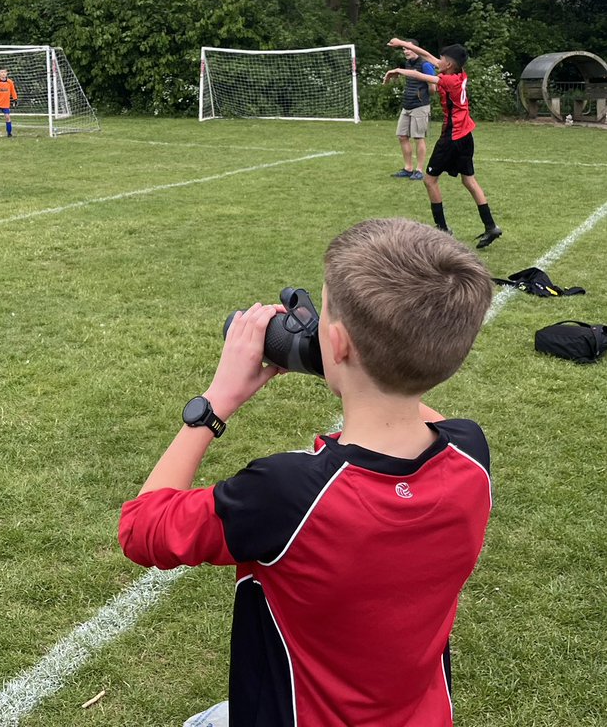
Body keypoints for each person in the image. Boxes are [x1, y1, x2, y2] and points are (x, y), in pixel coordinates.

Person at [120, 218, 494, 727]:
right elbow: (410, 402)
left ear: (336, 342)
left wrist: (217, 401)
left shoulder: (288, 494)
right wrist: (340, 363)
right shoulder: (471, 453)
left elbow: (141, 528)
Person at [384, 38, 502, 248]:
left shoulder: (448, 81)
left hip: (452, 137)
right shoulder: (459, 74)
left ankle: (442, 230)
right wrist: (404, 43)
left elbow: (421, 75)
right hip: (466, 135)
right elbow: (427, 55)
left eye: (442, 59)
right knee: (469, 180)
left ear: (448, 64)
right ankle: (491, 226)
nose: (437, 61)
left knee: (430, 180)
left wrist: (398, 71)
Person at [391, 39, 435, 180]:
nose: (405, 51)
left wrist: (423, 96)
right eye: (404, 49)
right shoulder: (408, 64)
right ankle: (408, 168)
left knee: (418, 137)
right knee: (402, 136)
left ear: (416, 49)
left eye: (408, 48)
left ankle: (419, 170)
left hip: (420, 106)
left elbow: (433, 87)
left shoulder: (425, 64)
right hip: (407, 105)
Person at [0, 68, 18, 138]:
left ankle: (9, 133)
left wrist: (15, 99)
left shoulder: (10, 82)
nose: (3, 73)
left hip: (6, 103)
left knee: (7, 117)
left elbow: (13, 91)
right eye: (1, 72)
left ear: (7, 73)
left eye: (4, 72)